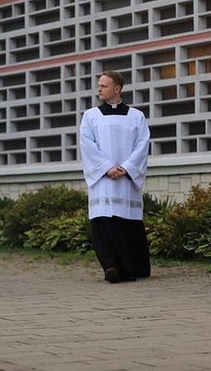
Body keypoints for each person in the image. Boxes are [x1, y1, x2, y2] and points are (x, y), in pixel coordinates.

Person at [79, 70, 151, 283]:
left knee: (126, 224)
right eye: (99, 85)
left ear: (117, 89)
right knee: (103, 223)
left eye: (104, 85)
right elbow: (86, 144)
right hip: (103, 180)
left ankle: (130, 267)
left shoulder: (136, 116)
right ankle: (111, 266)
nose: (99, 89)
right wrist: (107, 167)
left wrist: (126, 168)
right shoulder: (91, 116)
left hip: (125, 180)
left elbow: (142, 145)